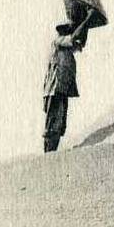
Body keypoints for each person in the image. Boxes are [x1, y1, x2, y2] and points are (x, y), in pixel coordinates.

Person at [42, 8, 96, 152]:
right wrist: (88, 20)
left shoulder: (66, 47)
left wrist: (87, 26)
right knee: (53, 125)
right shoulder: (59, 41)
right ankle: (48, 154)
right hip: (55, 90)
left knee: (59, 125)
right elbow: (74, 37)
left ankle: (51, 153)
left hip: (61, 90)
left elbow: (80, 42)